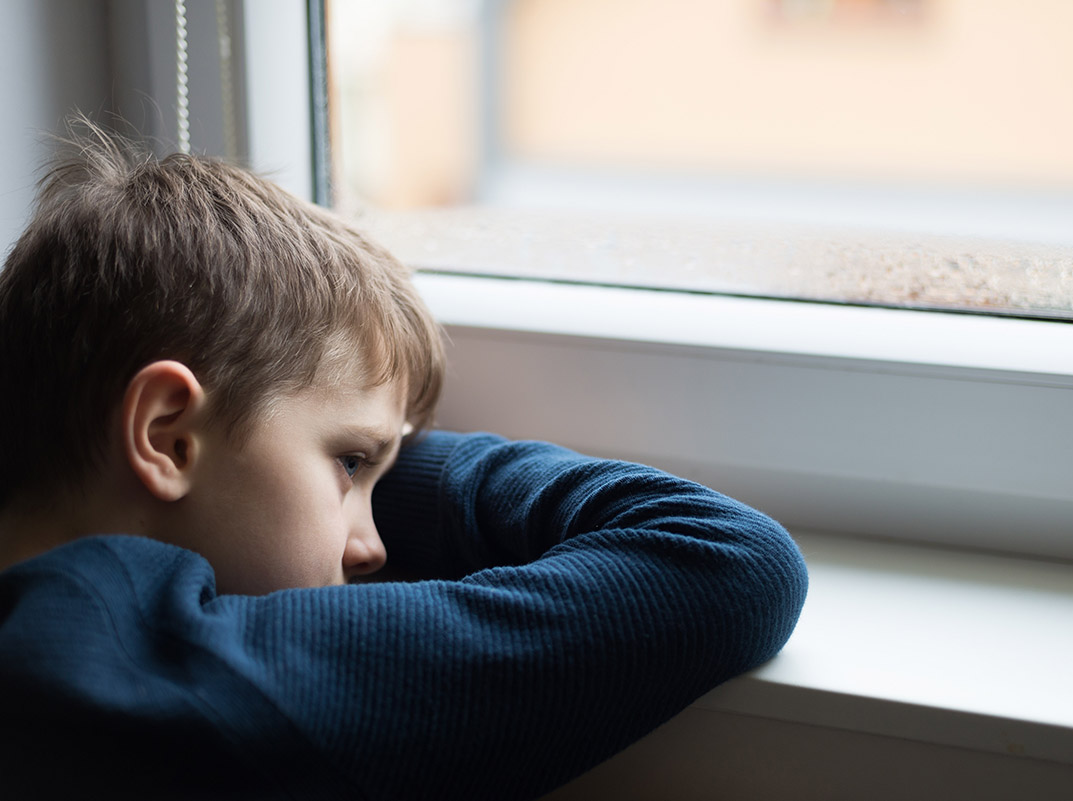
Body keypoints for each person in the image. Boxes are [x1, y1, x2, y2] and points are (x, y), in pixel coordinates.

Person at [0, 122, 807, 800]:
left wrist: (369, 451)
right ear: (169, 436)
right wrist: (409, 462)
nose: (372, 546)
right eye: (349, 464)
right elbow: (729, 558)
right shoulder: (162, 682)